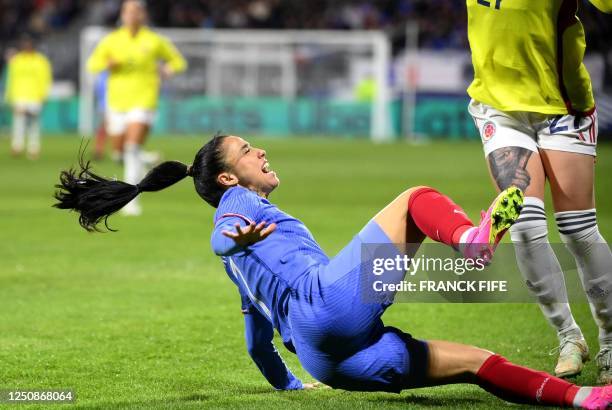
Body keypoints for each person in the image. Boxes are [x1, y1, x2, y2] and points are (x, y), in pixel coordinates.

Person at [54, 134, 612, 408]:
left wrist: (294, 383)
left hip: (329, 357)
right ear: (228, 178)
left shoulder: (246, 266)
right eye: (248, 151)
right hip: (329, 304)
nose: (260, 152)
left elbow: (257, 345)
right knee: (416, 198)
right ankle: (470, 240)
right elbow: (221, 237)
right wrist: (228, 240)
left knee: (475, 363)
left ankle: (581, 400)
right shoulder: (238, 209)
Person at [466, 0, 612, 382]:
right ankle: (569, 336)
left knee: (578, 230)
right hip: (499, 107)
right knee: (524, 226)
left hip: (562, 107)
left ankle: (611, 342)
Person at [86, 0, 187, 215]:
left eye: (136, 11)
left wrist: (168, 69)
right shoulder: (111, 40)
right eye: (128, 11)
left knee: (131, 147)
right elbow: (92, 64)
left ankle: (131, 199)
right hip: (117, 101)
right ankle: (144, 159)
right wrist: (107, 64)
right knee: (119, 152)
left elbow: (178, 61)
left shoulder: (154, 40)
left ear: (143, 15)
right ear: (122, 15)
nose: (132, 15)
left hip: (144, 99)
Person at [4, 34, 52, 159]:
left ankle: (33, 148)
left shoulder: (40, 61)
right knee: (19, 121)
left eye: (29, 44)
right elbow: (11, 79)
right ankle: (17, 146)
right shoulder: (17, 60)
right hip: (19, 95)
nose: (27, 46)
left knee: (33, 123)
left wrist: (43, 95)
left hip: (35, 96)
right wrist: (9, 96)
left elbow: (45, 79)